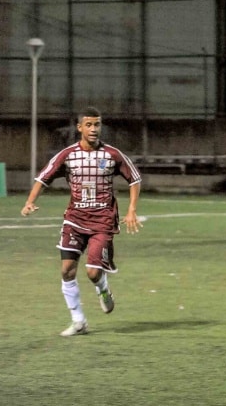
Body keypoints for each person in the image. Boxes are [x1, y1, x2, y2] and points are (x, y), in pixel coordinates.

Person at [20, 106, 142, 336]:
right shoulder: (67, 155)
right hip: (75, 220)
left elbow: (134, 179)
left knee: (93, 273)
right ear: (79, 128)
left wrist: (131, 209)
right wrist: (29, 202)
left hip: (102, 222)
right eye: (89, 124)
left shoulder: (112, 155)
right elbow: (43, 178)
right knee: (67, 270)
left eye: (97, 124)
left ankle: (103, 288)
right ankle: (79, 322)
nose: (94, 129)